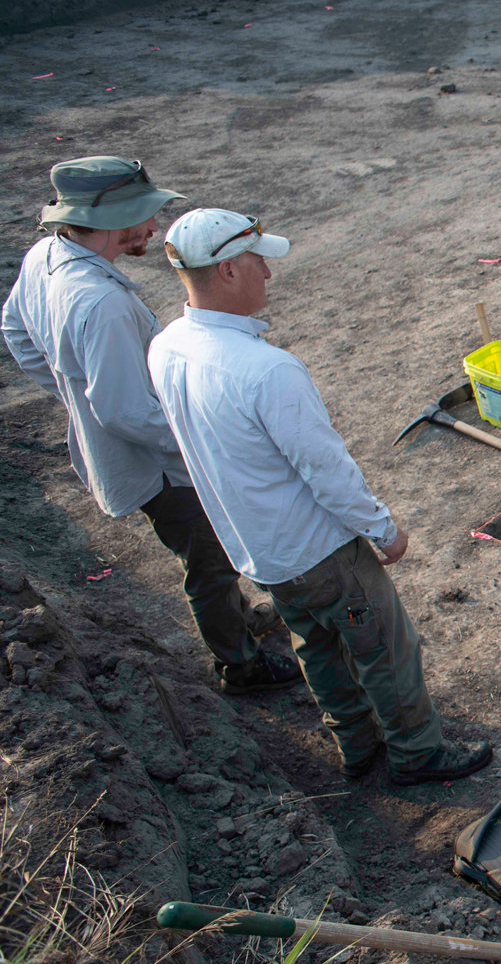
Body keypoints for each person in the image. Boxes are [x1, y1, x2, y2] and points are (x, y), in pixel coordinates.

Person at [147, 208, 491, 787]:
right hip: (321, 550)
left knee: (317, 645)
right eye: (260, 262)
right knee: (386, 649)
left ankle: (356, 747)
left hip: (261, 549)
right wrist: (384, 530)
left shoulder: (167, 346)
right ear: (228, 270)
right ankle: (418, 754)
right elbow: (325, 470)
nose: (269, 274)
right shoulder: (265, 370)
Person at [2, 157, 300, 695]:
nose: (153, 227)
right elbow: (123, 411)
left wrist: (69, 389)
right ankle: (241, 665)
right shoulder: (101, 302)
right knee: (209, 557)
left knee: (209, 551)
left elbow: (16, 332)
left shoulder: (45, 254)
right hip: (159, 466)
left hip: (136, 449)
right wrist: (198, 437)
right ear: (114, 219)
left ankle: (241, 622)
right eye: (145, 215)